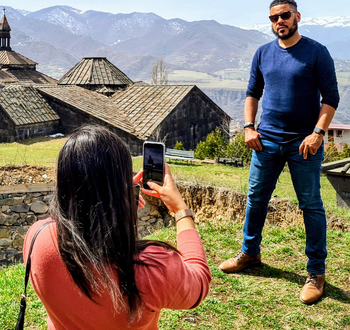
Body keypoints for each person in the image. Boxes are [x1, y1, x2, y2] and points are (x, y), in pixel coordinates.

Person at [23, 126, 211, 329]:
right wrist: (180, 210)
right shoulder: (149, 268)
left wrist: (112, 196)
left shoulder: (37, 237)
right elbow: (199, 283)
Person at [218, 0, 339, 305]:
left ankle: (316, 273)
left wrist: (318, 133)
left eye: (285, 16)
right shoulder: (263, 53)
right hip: (266, 141)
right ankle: (250, 254)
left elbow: (331, 97)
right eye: (273, 18)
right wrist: (248, 127)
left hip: (304, 144)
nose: (279, 22)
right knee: (256, 198)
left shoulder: (316, 52)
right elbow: (252, 93)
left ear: (297, 16)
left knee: (310, 205)